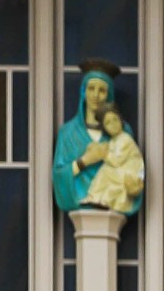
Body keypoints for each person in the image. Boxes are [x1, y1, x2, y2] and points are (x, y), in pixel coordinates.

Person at [50, 64, 146, 217]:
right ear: (83, 92)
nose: (95, 95)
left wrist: (135, 183)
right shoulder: (68, 133)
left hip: (115, 196)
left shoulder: (122, 132)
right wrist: (85, 161)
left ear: (109, 95)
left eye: (102, 90)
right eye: (91, 88)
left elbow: (134, 165)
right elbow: (59, 175)